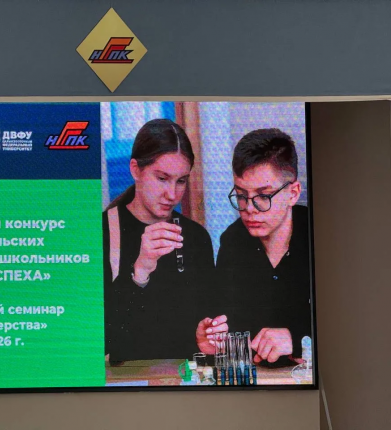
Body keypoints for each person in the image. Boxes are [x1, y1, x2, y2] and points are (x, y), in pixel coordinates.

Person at [103, 119, 222, 362]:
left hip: (183, 381)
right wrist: (139, 271)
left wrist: (204, 340)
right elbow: (100, 340)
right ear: (135, 169)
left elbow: (203, 329)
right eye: (162, 178)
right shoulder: (101, 232)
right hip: (124, 383)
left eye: (181, 181)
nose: (172, 194)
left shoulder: (196, 237)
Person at [215, 128, 312, 365]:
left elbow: (353, 321)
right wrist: (214, 337)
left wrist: (297, 339)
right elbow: (230, 325)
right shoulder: (232, 241)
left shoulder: (322, 236)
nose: (249, 209)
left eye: (263, 196)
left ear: (293, 193)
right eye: (241, 195)